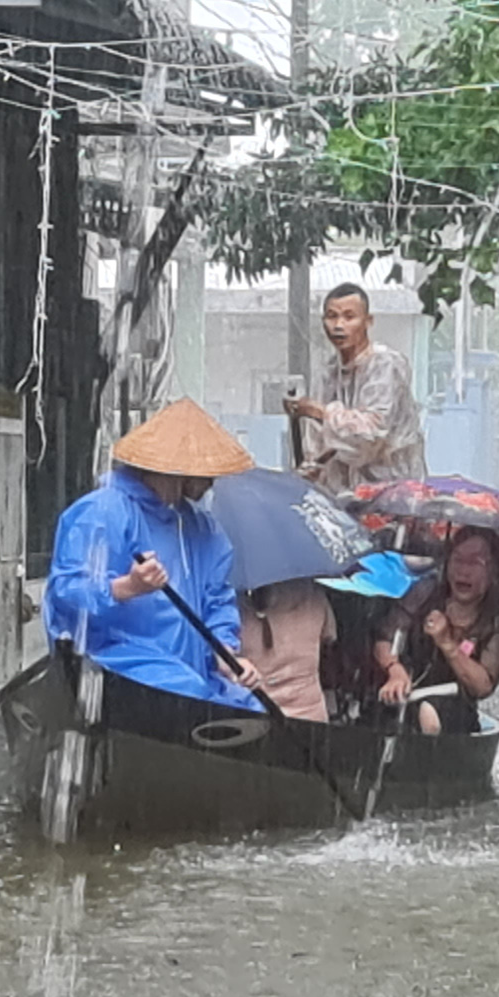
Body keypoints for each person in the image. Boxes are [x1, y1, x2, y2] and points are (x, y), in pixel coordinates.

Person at [43, 398, 264, 709]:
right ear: (179, 470)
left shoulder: (203, 528)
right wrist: (127, 587)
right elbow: (65, 594)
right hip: (118, 669)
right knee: (191, 698)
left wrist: (226, 656)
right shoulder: (102, 512)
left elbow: (217, 600)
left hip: (191, 673)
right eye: (206, 473)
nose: (212, 483)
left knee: (253, 710)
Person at [283, 282, 427, 495]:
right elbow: (322, 446)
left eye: (349, 317)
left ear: (368, 321)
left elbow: (370, 435)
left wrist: (320, 412)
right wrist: (312, 469)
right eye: (331, 316)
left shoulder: (385, 365)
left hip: (393, 495)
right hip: (344, 499)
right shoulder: (329, 373)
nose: (338, 325)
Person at [370, 526, 499, 735]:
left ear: (493, 572)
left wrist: (447, 643)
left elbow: (482, 687)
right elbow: (383, 639)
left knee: (430, 713)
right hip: (404, 697)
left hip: (454, 713)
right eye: (457, 559)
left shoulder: (498, 623)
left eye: (475, 562)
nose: (463, 570)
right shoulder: (425, 593)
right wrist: (395, 670)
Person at [236, 578, 335, 722]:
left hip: (255, 718)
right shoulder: (312, 591)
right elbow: (329, 635)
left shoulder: (230, 606)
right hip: (311, 715)